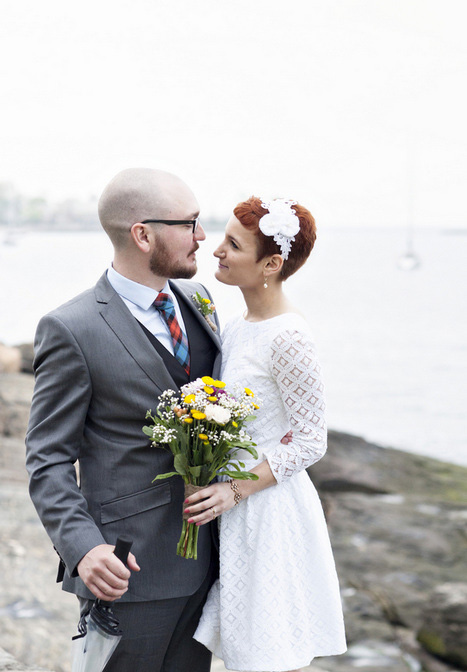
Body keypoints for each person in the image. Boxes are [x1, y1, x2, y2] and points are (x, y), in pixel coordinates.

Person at [25, 168, 222, 672]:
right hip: (127, 573)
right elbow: (47, 461)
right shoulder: (72, 328)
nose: (202, 236)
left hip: (214, 563)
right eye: (190, 223)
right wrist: (84, 549)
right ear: (143, 233)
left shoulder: (198, 302)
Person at [185, 196, 347, 672]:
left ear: (271, 264)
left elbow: (312, 440)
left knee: (265, 655)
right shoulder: (236, 328)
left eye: (234, 244)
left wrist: (234, 490)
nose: (217, 250)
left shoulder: (289, 336)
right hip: (231, 510)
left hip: (269, 514)